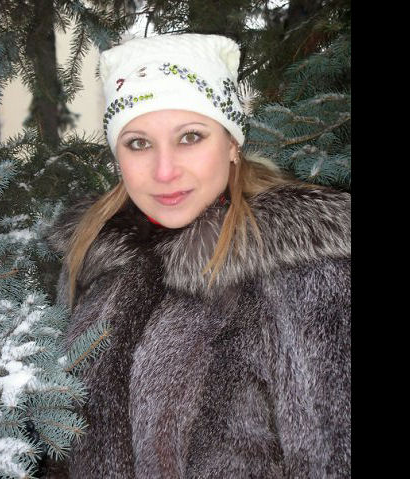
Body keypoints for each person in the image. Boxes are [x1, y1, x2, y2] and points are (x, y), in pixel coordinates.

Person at [46, 33, 350, 478]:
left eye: (190, 137)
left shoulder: (309, 269)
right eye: (138, 143)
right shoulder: (92, 256)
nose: (165, 170)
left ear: (231, 143)